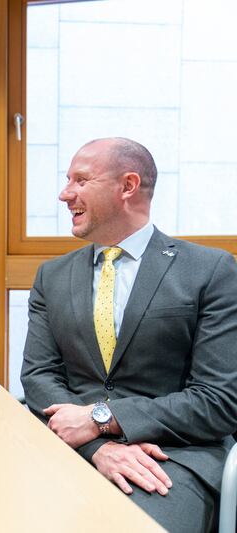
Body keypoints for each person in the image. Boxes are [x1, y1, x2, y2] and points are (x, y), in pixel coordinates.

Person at [20, 138, 237, 533]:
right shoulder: (51, 277)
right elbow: (38, 377)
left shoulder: (210, 271)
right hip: (66, 448)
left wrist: (106, 419)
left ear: (128, 185)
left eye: (81, 180)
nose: (65, 193)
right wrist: (95, 446)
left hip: (169, 459)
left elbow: (218, 401)